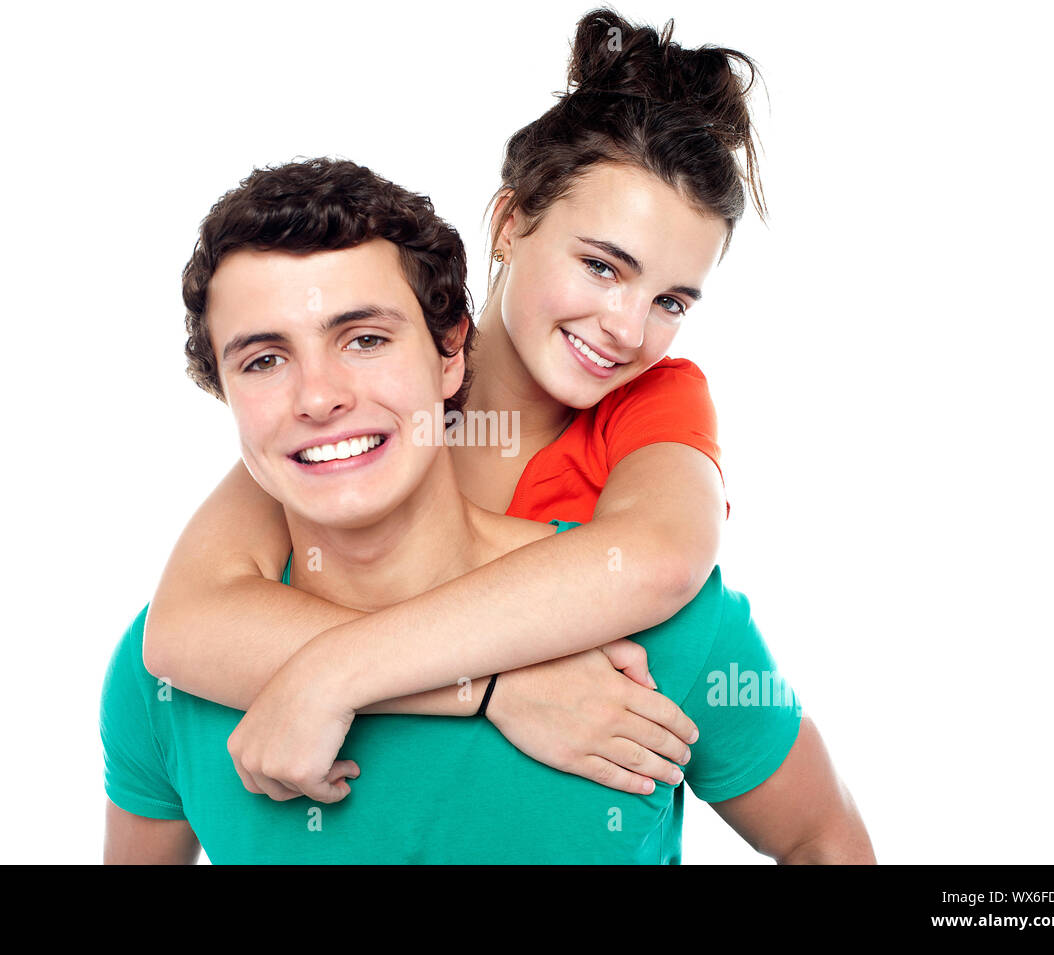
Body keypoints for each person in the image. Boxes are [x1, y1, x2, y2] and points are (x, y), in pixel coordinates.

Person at [101, 158, 874, 864]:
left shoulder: (656, 628)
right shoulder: (171, 668)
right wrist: (489, 686)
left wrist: (336, 676)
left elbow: (823, 839)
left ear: (450, 354)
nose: (318, 397)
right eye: (264, 360)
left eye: (365, 339)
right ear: (221, 389)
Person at [142, 8, 767, 798]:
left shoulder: (655, 398)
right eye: (603, 267)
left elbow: (663, 559)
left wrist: (336, 671)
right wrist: (493, 689)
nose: (627, 327)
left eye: (672, 301)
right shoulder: (374, 386)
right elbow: (186, 623)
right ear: (510, 224)